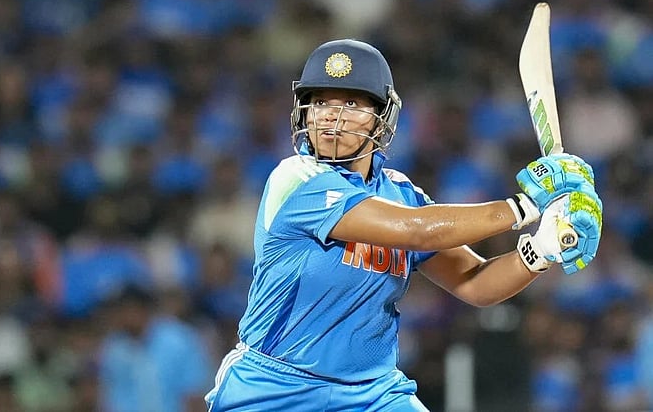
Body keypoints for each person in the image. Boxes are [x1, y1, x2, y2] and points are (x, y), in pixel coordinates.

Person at [204, 39, 603, 411]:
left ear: (381, 120)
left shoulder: (400, 193)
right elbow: (416, 230)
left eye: (353, 103)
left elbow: (475, 283)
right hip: (275, 387)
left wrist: (540, 251)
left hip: (372, 393)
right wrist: (527, 204)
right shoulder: (295, 179)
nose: (333, 116)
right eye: (320, 101)